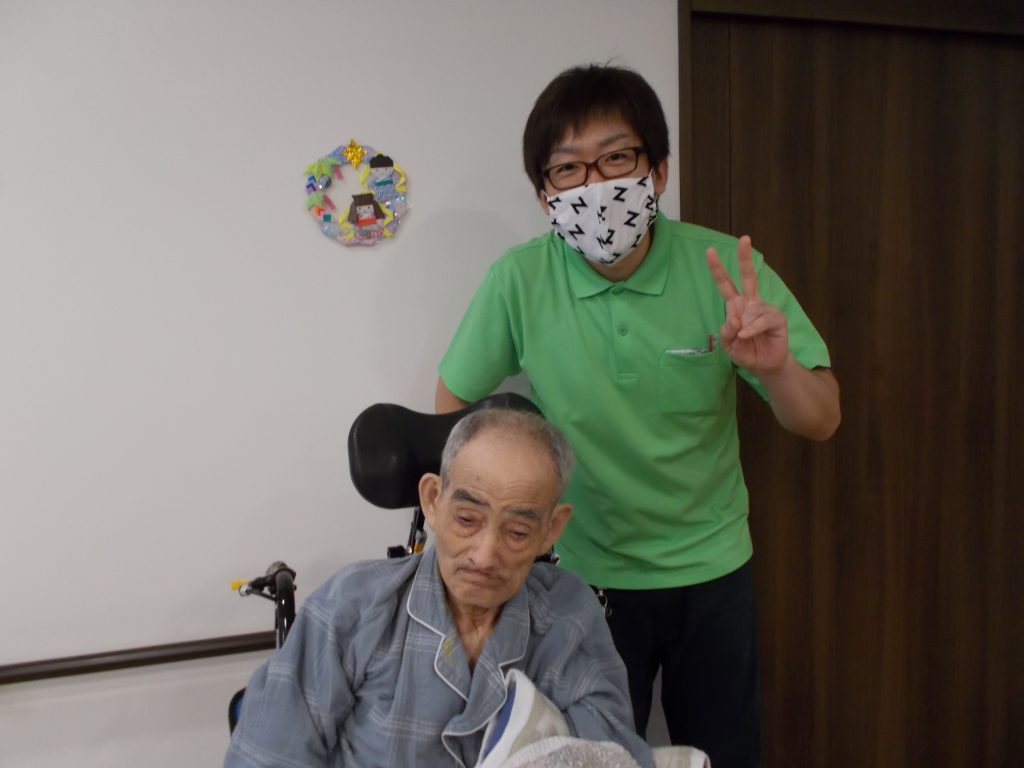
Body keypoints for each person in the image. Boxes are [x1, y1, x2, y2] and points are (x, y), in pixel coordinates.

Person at [435, 64, 841, 768]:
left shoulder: (723, 269)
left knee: (724, 755)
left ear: (657, 171)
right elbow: (452, 409)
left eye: (616, 158)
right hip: (583, 576)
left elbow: (823, 418)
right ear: (544, 194)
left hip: (712, 568)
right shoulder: (519, 280)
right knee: (590, 757)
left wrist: (776, 366)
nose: (594, 185)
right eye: (568, 168)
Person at [224, 407, 654, 768]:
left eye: (518, 532)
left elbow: (610, 756)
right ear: (433, 500)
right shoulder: (351, 606)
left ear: (551, 530)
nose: (484, 555)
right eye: (467, 519)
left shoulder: (566, 614)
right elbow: (264, 756)